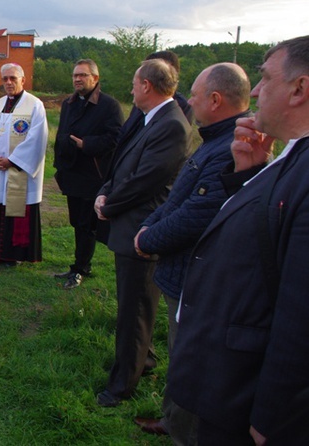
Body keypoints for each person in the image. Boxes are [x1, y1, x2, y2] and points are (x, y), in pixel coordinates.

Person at [168, 36, 309, 444]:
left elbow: (299, 309)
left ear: (299, 89)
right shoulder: (287, 156)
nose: (258, 91)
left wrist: (272, 414)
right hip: (228, 377)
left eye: (266, 79)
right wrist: (249, 173)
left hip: (251, 395)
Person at [131, 63, 252, 441]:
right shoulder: (216, 140)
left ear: (215, 100)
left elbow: (196, 214)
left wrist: (148, 239)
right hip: (180, 267)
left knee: (191, 356)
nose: (190, 101)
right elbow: (182, 196)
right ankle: (175, 420)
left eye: (196, 95)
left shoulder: (232, 146)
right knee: (181, 350)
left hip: (193, 273)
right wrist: (151, 226)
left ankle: (186, 430)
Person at [94, 58, 190, 407]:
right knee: (131, 304)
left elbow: (145, 182)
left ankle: (121, 387)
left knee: (134, 311)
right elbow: (122, 166)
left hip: (142, 229)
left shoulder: (172, 125)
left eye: (135, 84)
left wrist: (109, 204)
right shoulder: (153, 119)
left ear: (147, 86)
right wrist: (105, 189)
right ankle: (143, 360)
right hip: (130, 221)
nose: (131, 90)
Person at [53, 59, 123, 288]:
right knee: (76, 221)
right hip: (71, 172)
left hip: (92, 173)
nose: (77, 79)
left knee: (86, 222)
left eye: (82, 75)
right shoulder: (69, 103)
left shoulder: (108, 106)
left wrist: (86, 144)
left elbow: (115, 138)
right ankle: (82, 263)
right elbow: (62, 133)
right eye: (75, 75)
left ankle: (80, 268)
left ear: (95, 78)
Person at [0, 63, 48, 265]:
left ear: (23, 80)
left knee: (17, 210)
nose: (9, 82)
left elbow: (37, 138)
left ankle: (15, 255)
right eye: (5, 79)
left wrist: (12, 161)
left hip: (18, 169)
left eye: (13, 78)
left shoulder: (35, 105)